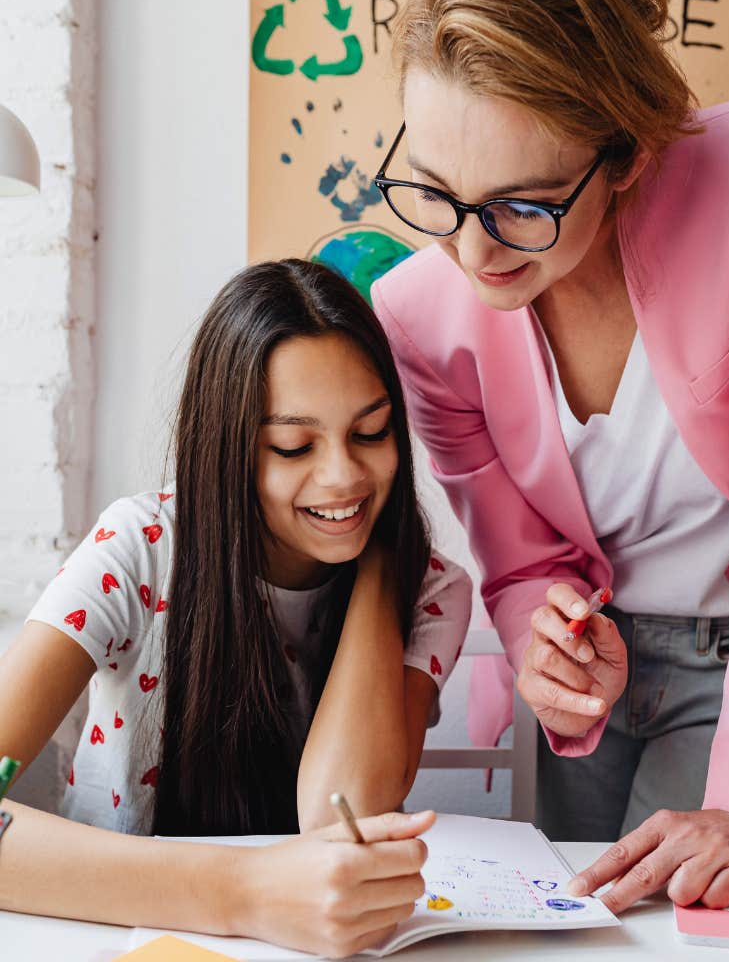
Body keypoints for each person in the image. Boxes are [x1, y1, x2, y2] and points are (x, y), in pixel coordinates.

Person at [371, 0, 729, 915]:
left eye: (524, 205)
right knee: (576, 928)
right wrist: (542, 642)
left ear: (626, 156)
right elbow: (517, 562)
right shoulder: (419, 313)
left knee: (690, 925)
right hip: (599, 682)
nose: (474, 255)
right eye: (435, 191)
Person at [0, 259, 472, 957]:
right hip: (123, 940)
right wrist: (247, 892)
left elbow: (341, 810)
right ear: (226, 451)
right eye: (293, 445)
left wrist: (375, 560)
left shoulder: (430, 588)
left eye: (371, 433)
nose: (343, 474)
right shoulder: (138, 549)